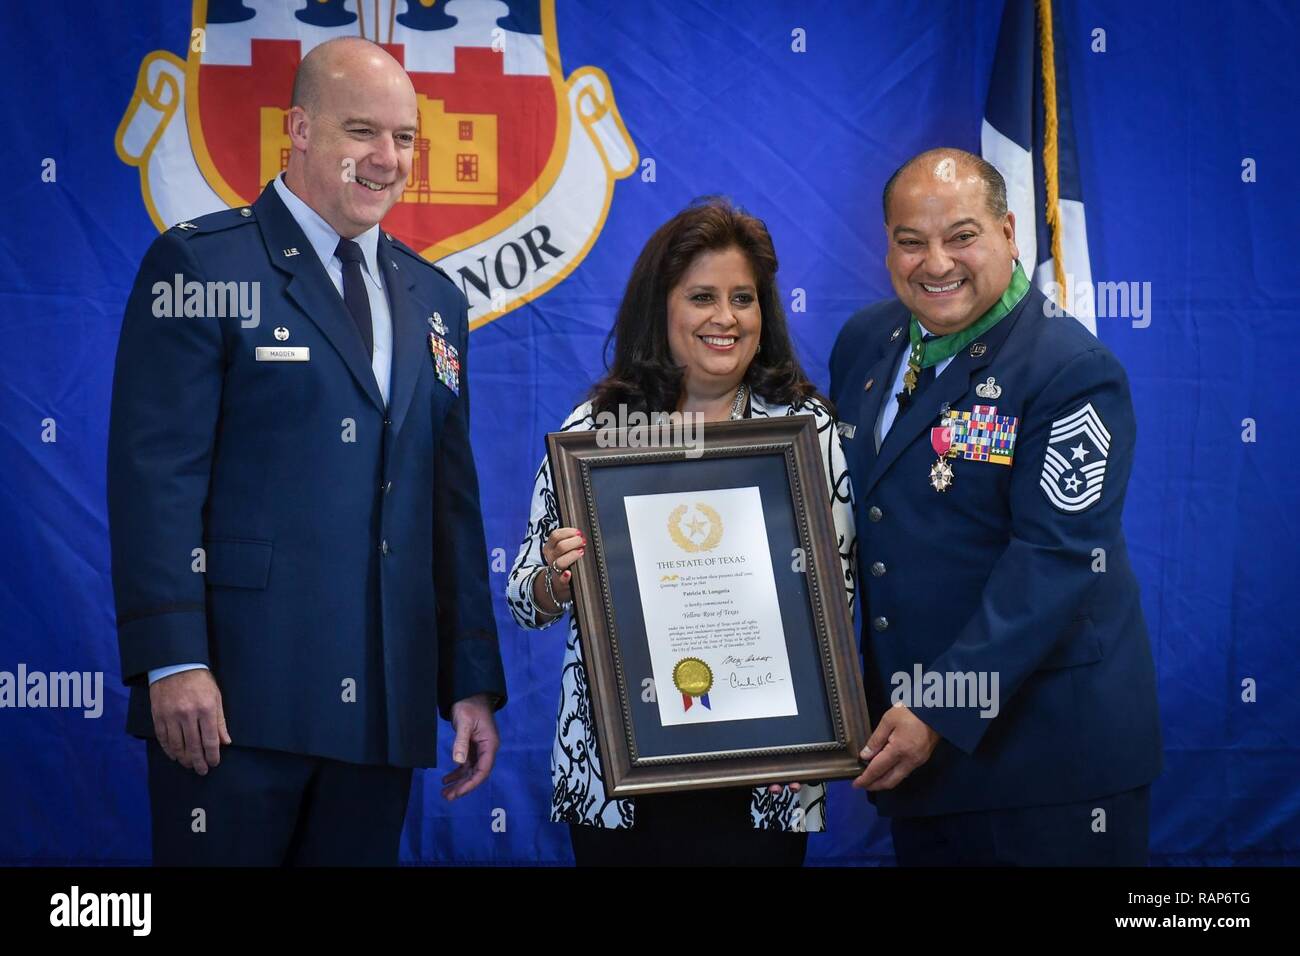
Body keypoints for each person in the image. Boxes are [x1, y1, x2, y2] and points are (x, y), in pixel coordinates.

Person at [107, 37, 506, 866]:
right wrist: (173, 660)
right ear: (297, 128)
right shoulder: (201, 264)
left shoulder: (435, 298)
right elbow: (156, 479)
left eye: (404, 138)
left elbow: (449, 504)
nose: (387, 158)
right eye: (362, 131)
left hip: (381, 712)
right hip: (233, 704)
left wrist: (468, 679)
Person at [829, 148, 1162, 865]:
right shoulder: (865, 343)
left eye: (962, 236)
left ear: (1009, 233)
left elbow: (1055, 559)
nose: (936, 263)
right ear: (887, 245)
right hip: (918, 759)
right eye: (911, 241)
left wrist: (940, 705)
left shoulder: (1071, 369)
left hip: (1048, 765)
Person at [506, 198, 856, 866]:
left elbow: (834, 594)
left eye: (743, 298)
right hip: (617, 773)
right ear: (659, 308)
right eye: (702, 297)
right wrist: (558, 577)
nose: (726, 318)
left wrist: (815, 728)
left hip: (769, 768)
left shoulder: (806, 428)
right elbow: (526, 600)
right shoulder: (598, 430)